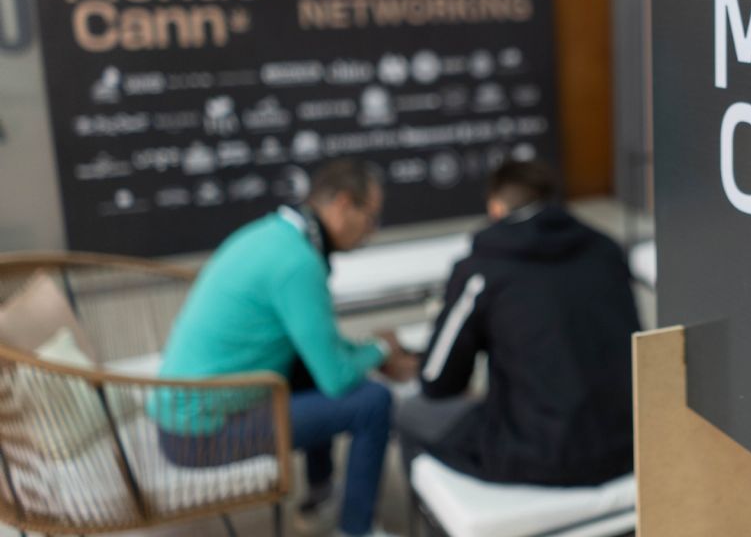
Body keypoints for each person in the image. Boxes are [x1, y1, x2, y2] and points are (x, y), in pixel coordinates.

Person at [154, 159, 417, 537]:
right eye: (371, 217)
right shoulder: (298, 262)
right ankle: (356, 530)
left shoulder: (273, 234)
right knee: (373, 402)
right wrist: (381, 350)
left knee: (308, 368)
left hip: (183, 419)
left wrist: (372, 350)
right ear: (344, 204)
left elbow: (320, 347)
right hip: (200, 436)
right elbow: (337, 378)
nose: (372, 231)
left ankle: (321, 498)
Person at [398, 159, 641, 487]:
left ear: (496, 207)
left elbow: (437, 381)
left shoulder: (480, 270)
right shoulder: (606, 249)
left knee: (407, 411)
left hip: (535, 456)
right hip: (628, 444)